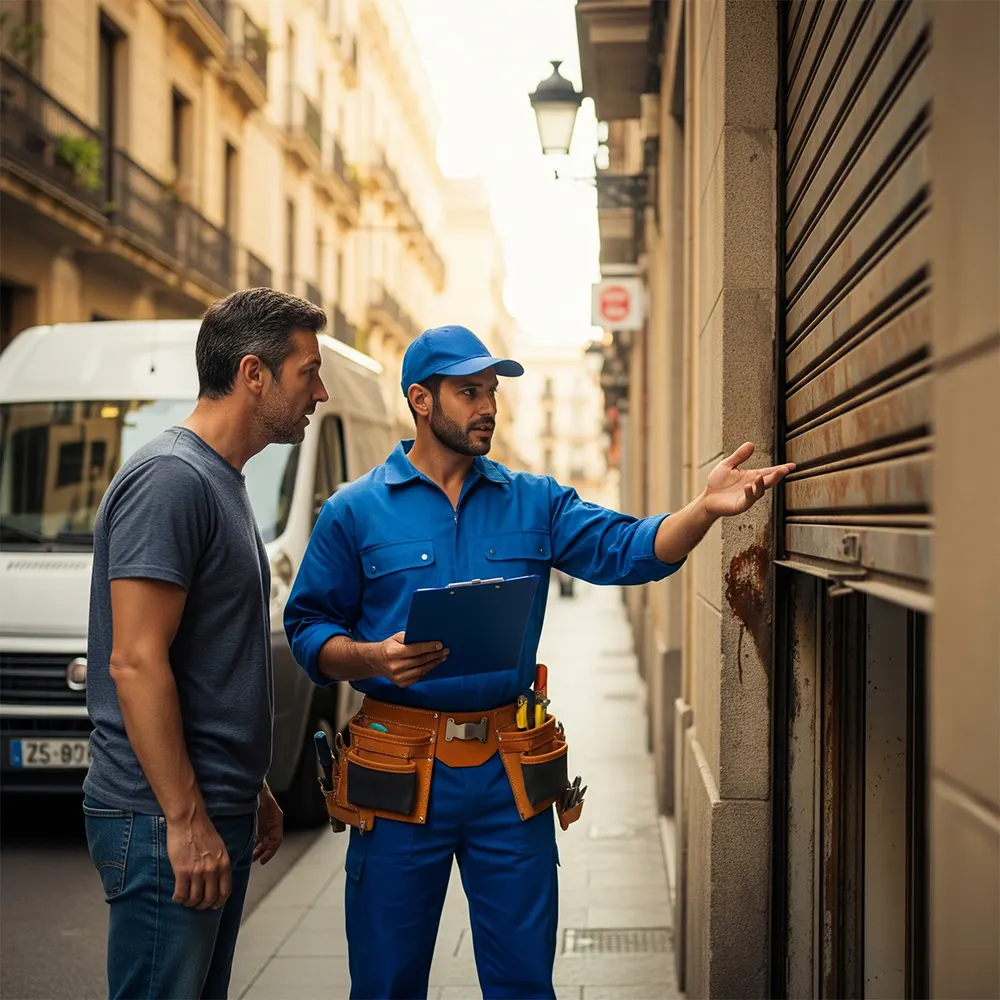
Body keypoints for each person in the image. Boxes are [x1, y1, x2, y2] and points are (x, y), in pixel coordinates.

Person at [283, 324, 794, 1000]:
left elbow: (629, 549)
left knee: (524, 981)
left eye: (492, 391)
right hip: (396, 773)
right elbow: (307, 630)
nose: (488, 406)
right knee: (384, 982)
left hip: (508, 774)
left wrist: (703, 509)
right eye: (470, 392)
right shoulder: (354, 511)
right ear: (421, 400)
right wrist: (371, 656)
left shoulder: (536, 501)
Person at [83, 288, 329, 1000]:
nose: (320, 391)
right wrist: (187, 819)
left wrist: (247, 786)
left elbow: (206, 658)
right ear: (254, 374)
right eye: (307, 371)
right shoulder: (171, 479)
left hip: (206, 807)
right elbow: (135, 660)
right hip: (159, 818)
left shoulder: (220, 480)